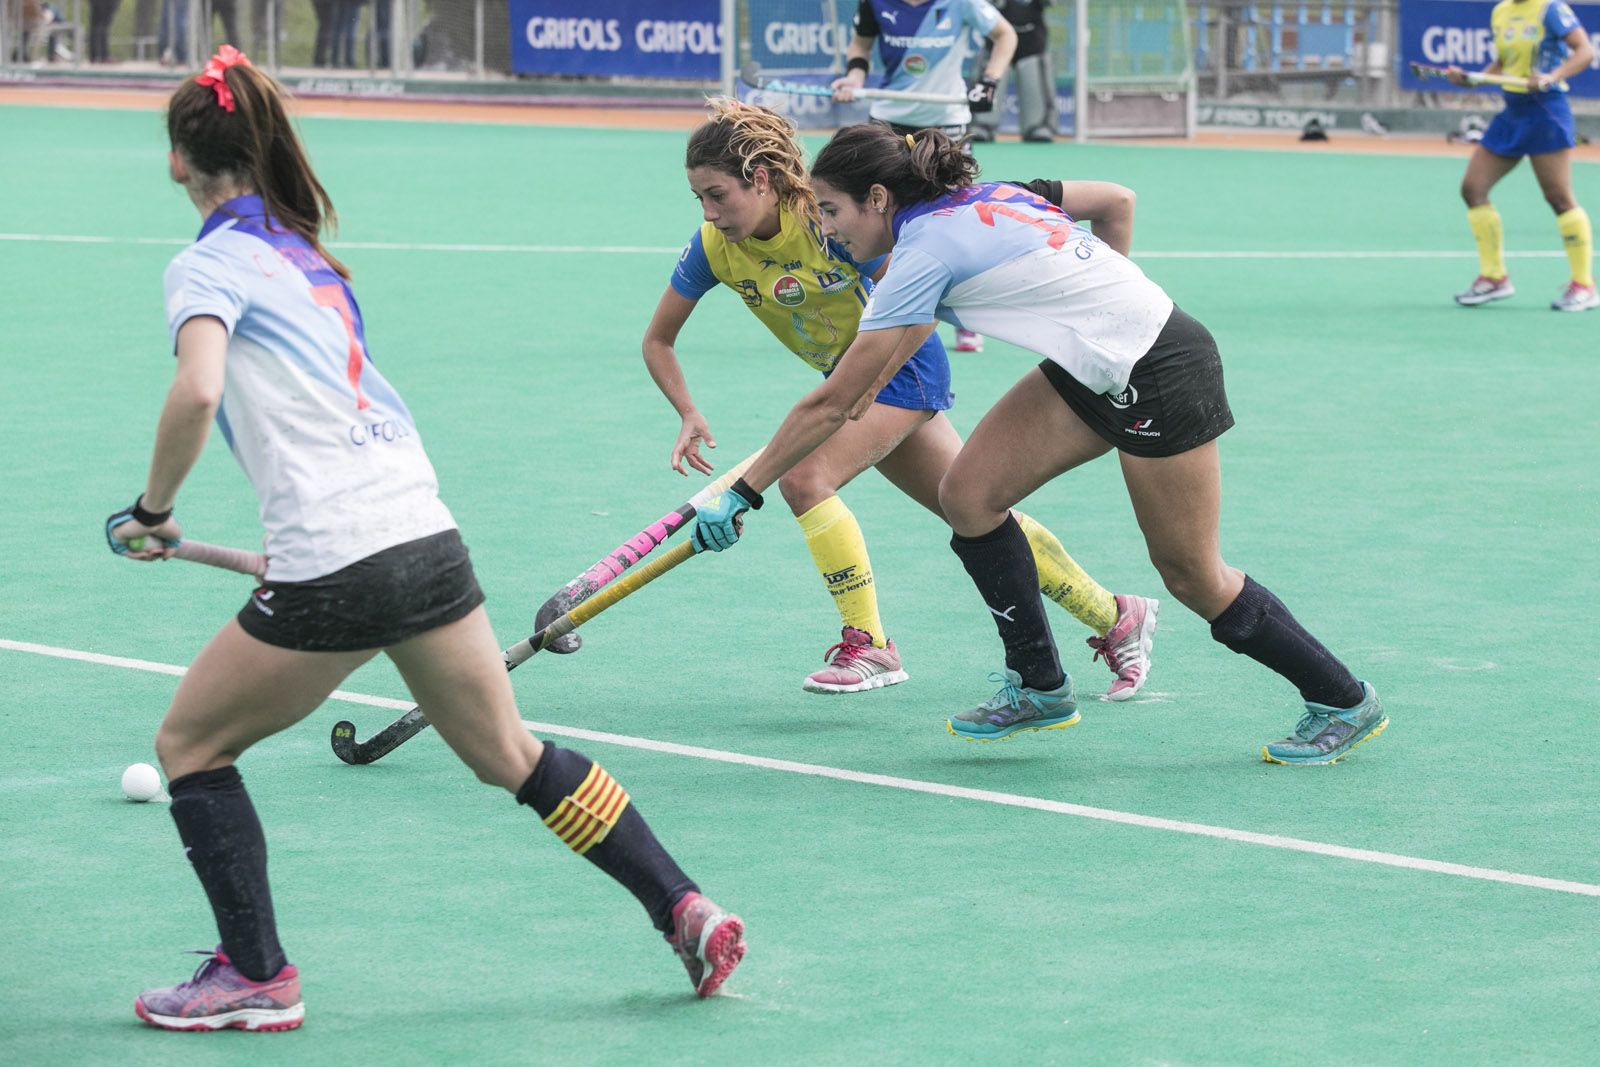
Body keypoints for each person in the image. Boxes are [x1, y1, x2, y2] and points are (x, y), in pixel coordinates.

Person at [109, 48, 745, 1031]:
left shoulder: (206, 263)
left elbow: (198, 387)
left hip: (343, 555)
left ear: (176, 160)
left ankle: (256, 974)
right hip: (421, 531)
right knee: (510, 753)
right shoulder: (306, 256)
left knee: (188, 743)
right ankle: (683, 906)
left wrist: (153, 511)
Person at [691, 124, 1387, 765]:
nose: (830, 231)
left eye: (835, 212)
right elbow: (1113, 205)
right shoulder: (980, 198)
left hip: (1161, 371)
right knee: (967, 495)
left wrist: (743, 491)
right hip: (1093, 366)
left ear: (879, 198)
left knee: (1191, 572)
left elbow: (834, 400)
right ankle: (1039, 686)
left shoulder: (922, 250)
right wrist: (1097, 304)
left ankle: (1341, 697)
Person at [649, 99, 1157, 700]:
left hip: (899, 369)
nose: (709, 212)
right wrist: (688, 410)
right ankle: (1114, 614)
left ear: (759, 180)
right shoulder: (713, 247)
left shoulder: (827, 221)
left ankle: (869, 644)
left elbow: (916, 301)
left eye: (717, 195)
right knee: (971, 510)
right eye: (698, 200)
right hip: (850, 384)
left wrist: (859, 388)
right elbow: (658, 340)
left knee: (804, 479)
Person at [832, 0, 1017, 352]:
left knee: (957, 221)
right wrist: (855, 76)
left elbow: (1005, 34)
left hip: (946, 121)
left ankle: (965, 319)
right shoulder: (875, 3)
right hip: (888, 119)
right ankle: (878, 311)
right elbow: (861, 43)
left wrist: (989, 80)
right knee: (878, 219)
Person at [1448, 0, 1597, 311]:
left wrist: (1552, 76)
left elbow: (1585, 51)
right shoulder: (1500, 11)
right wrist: (1474, 78)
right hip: (1512, 113)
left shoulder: (1551, 10)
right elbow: (1504, 61)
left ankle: (1584, 285)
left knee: (1559, 198)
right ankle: (1494, 277)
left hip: (1545, 111)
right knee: (1473, 189)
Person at [969, 0, 1058, 144]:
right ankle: (981, 124)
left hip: (1031, 37)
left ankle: (1038, 125)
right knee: (990, 73)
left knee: (1034, 76)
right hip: (996, 36)